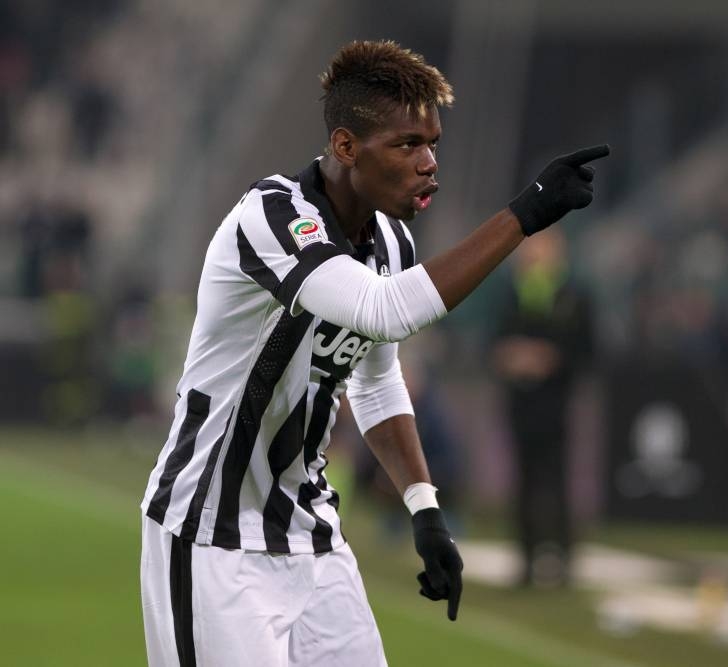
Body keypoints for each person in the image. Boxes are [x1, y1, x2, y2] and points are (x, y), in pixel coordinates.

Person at [139, 39, 609, 667]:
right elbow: (383, 309)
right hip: (212, 534)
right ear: (345, 146)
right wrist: (524, 214)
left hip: (311, 533)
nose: (429, 164)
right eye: (407, 145)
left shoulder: (390, 241)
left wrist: (424, 508)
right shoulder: (273, 215)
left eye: (432, 144)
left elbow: (376, 380)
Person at [490, 227, 594, 587]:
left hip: (555, 404)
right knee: (524, 482)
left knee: (556, 481)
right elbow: (494, 342)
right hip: (520, 403)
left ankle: (562, 557)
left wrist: (549, 359)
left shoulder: (574, 295)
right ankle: (527, 558)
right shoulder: (511, 291)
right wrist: (511, 357)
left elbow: (586, 352)